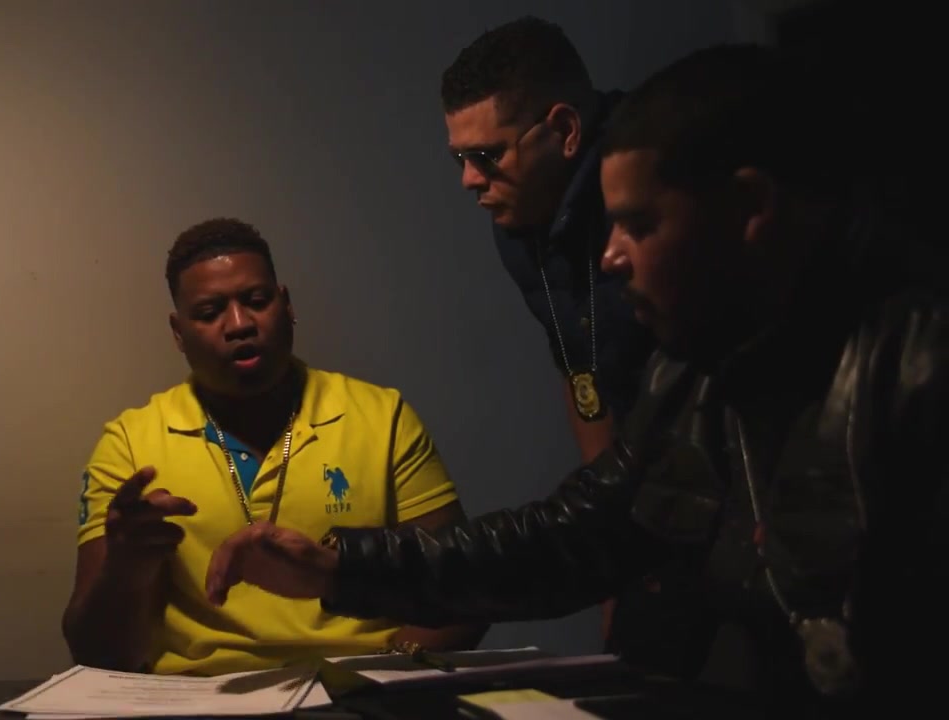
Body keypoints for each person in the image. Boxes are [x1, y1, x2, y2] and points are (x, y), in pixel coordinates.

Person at [204, 45, 948, 714]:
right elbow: (572, 534)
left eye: (640, 226)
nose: (611, 257)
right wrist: (339, 568)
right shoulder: (691, 378)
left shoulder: (915, 369)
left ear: (751, 209)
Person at [61, 217, 486, 676]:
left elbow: (462, 591)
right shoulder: (129, 444)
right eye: (210, 312)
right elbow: (96, 656)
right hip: (202, 697)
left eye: (257, 301)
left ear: (286, 305)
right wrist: (124, 568)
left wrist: (379, 677)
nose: (239, 324)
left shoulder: (383, 417)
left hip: (365, 686)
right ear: (178, 332)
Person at [439, 16, 702, 672]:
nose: (469, 180)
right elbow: (577, 367)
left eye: (486, 156)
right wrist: (609, 547)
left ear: (564, 131)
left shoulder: (653, 169)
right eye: (458, 158)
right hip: (634, 492)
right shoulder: (517, 222)